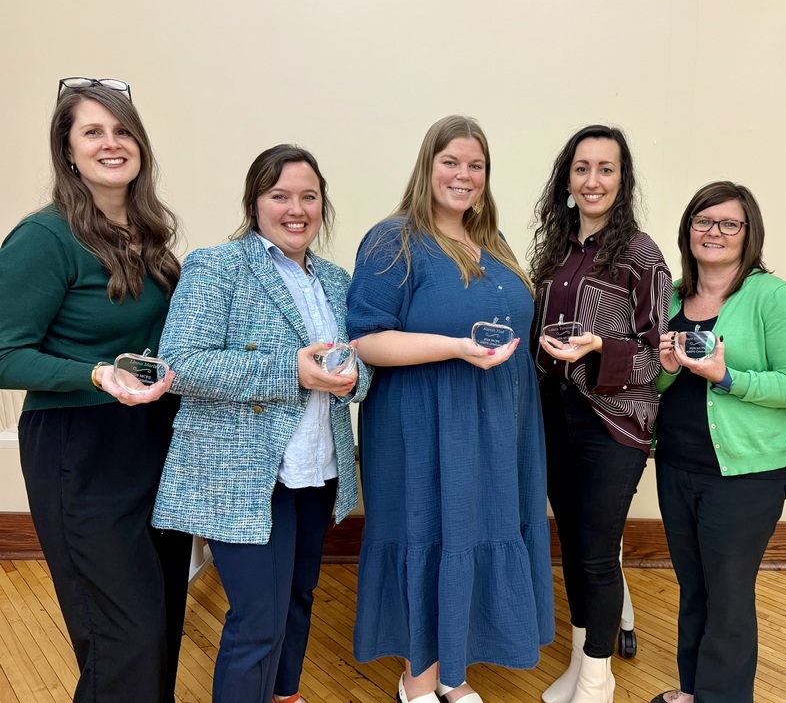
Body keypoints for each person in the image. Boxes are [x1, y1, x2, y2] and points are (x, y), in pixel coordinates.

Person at [151, 145, 370, 703]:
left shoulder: (336, 280)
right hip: (246, 476)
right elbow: (179, 365)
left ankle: (285, 695)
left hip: (317, 470)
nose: (295, 209)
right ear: (255, 203)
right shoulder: (217, 266)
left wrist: (353, 379)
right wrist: (289, 372)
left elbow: (358, 365)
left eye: (308, 197)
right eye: (279, 196)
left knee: (297, 601)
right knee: (259, 620)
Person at [348, 115, 553, 703]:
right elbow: (365, 340)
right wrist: (456, 349)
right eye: (452, 162)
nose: (464, 175)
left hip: (500, 422)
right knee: (429, 533)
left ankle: (453, 672)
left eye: (476, 166)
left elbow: (507, 326)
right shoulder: (394, 240)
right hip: (423, 425)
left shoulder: (492, 242)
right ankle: (418, 681)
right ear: (427, 166)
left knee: (479, 529)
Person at [0, 78, 191, 702]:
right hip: (78, 449)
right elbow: (4, 354)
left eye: (123, 130)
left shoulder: (150, 234)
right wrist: (93, 373)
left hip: (152, 441)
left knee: (160, 624)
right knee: (124, 634)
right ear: (68, 150)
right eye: (93, 131)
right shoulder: (45, 239)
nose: (112, 143)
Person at [650, 182, 786, 703]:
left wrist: (728, 378)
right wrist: (667, 370)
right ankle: (695, 689)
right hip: (677, 466)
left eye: (729, 223)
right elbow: (658, 386)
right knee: (694, 587)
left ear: (749, 234)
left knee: (727, 596)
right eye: (703, 221)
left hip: (745, 475)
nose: (714, 232)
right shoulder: (672, 296)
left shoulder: (773, 296)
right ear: (688, 230)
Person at [530, 125, 671, 703]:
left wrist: (598, 349)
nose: (593, 180)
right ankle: (580, 665)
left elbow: (657, 356)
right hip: (555, 415)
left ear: (622, 180)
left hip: (614, 422)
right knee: (573, 546)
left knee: (596, 551)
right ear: (567, 178)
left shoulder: (642, 254)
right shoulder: (554, 251)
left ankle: (597, 680)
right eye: (583, 168)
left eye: (606, 169)